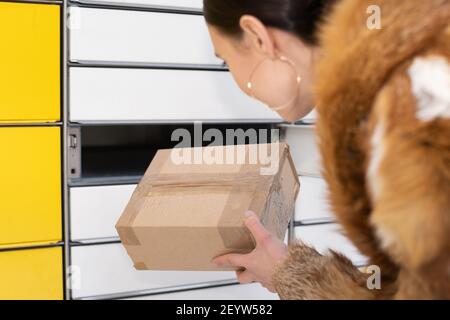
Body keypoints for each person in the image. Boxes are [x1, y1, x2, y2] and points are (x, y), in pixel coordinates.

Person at [204, 0, 450, 299]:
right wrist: (288, 269)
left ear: (258, 37)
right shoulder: (414, 63)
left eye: (226, 61)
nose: (235, 79)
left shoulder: (410, 108)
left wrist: (289, 275)